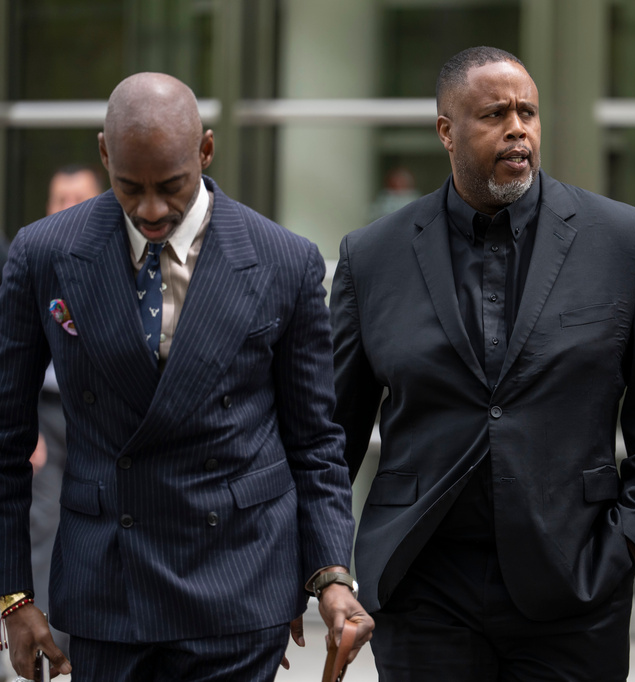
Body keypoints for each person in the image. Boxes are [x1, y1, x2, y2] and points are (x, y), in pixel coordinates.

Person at [331, 46, 635, 681]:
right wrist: (330, 566)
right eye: (495, 114)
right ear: (446, 130)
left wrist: (631, 545)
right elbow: (331, 433)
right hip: (423, 588)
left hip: (575, 585)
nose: (518, 129)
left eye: (527, 112)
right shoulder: (372, 257)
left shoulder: (622, 240)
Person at [0, 72, 372, 681]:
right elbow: (5, 439)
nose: (150, 210)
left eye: (171, 186)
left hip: (238, 583)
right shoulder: (43, 253)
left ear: (206, 150)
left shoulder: (285, 260)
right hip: (106, 592)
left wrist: (330, 574)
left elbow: (314, 441)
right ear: (103, 153)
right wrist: (12, 595)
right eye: (129, 187)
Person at [28, 164, 105, 657]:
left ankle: (95, 634)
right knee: (42, 519)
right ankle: (44, 639)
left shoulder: (117, 259)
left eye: (79, 197)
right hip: (46, 411)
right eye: (60, 198)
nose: (68, 206)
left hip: (98, 416)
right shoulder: (33, 260)